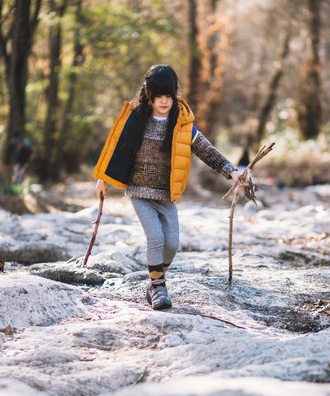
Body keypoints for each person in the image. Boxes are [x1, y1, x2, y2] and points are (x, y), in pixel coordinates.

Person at [93, 64, 244, 310]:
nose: (164, 102)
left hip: (166, 194)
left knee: (172, 244)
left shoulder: (182, 124)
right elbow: (116, 149)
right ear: (148, 95)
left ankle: (155, 279)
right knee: (155, 237)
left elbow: (206, 150)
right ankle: (158, 288)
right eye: (158, 97)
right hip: (140, 192)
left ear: (175, 95)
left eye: (168, 96)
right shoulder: (136, 119)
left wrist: (231, 170)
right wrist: (103, 179)